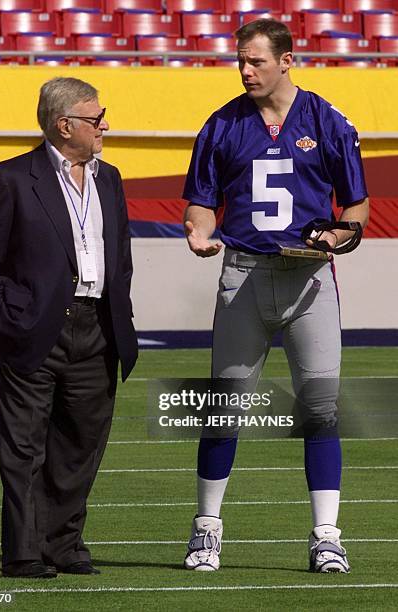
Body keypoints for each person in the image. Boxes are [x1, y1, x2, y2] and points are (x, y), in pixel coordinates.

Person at [182, 19, 369, 573]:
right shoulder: (221, 124)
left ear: (288, 60)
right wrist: (196, 230)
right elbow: (199, 203)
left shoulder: (327, 121)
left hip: (309, 281)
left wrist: (334, 236)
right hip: (242, 276)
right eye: (240, 60)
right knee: (223, 409)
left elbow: (355, 212)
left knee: (321, 409)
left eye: (257, 61)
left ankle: (326, 536)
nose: (245, 70)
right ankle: (206, 532)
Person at [0, 77, 138, 578]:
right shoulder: (11, 177)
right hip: (32, 331)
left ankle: (62, 545)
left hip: (98, 328)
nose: (104, 124)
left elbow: (120, 257)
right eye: (95, 117)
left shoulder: (110, 178)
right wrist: (7, 323)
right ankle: (22, 553)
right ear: (65, 126)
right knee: (23, 449)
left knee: (80, 445)